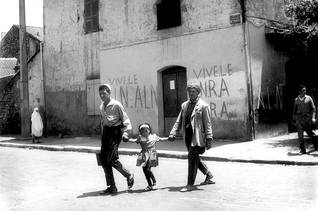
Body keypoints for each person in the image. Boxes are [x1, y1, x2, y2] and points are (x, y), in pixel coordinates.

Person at [168, 83, 215, 192]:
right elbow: (179, 120)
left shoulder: (203, 106)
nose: (191, 93)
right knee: (194, 157)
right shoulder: (185, 105)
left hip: (197, 137)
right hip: (188, 136)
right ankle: (208, 174)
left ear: (198, 92)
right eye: (189, 91)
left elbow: (208, 124)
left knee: (191, 158)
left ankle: (190, 184)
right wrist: (173, 132)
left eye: (193, 91)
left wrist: (209, 138)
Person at [98, 84, 134, 194]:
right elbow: (102, 122)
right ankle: (111, 187)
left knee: (111, 159)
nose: (102, 95)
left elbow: (126, 119)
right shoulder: (101, 106)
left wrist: (127, 133)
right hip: (106, 133)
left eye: (104, 93)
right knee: (104, 160)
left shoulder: (116, 105)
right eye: (100, 94)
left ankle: (128, 175)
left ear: (109, 93)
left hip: (115, 132)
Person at [124, 123, 168, 191]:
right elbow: (134, 141)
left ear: (149, 130)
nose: (144, 132)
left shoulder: (154, 136)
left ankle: (154, 183)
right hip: (144, 154)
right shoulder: (140, 137)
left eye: (145, 130)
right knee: (145, 170)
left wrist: (169, 138)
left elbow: (162, 139)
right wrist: (127, 140)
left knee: (147, 169)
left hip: (152, 154)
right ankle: (150, 185)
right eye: (142, 131)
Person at [293, 85, 317, 154]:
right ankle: (302, 150)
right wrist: (294, 121)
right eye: (303, 90)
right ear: (300, 91)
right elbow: (294, 112)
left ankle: (316, 146)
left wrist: (312, 118)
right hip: (299, 120)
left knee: (311, 134)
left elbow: (313, 109)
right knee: (300, 136)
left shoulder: (309, 98)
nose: (305, 91)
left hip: (307, 120)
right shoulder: (296, 100)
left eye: (305, 90)